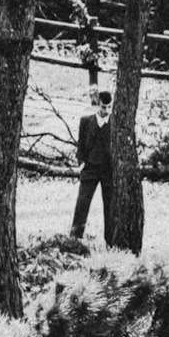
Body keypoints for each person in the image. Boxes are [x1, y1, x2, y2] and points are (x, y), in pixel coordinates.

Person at [70, 89, 114, 242]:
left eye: (109, 107)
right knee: (82, 202)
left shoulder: (114, 123)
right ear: (97, 105)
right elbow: (80, 145)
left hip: (108, 170)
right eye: (103, 107)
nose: (106, 111)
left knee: (110, 207)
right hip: (90, 168)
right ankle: (75, 238)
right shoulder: (86, 121)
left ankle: (111, 241)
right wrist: (81, 163)